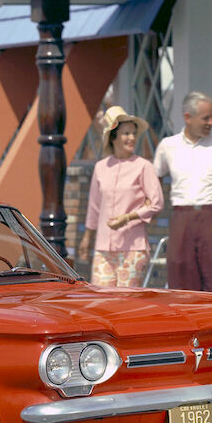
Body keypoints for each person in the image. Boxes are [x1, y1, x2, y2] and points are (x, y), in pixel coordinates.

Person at [153, 91, 212, 293]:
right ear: (188, 117)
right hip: (182, 217)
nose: (211, 122)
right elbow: (153, 179)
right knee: (181, 272)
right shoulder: (168, 146)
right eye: (206, 118)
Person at [77, 106, 163, 287]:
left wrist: (127, 217)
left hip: (133, 246)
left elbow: (156, 203)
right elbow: (94, 206)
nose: (132, 138)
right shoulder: (100, 167)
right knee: (101, 298)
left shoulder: (144, 166)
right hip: (103, 247)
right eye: (126, 133)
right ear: (113, 138)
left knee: (126, 299)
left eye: (133, 133)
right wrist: (87, 238)